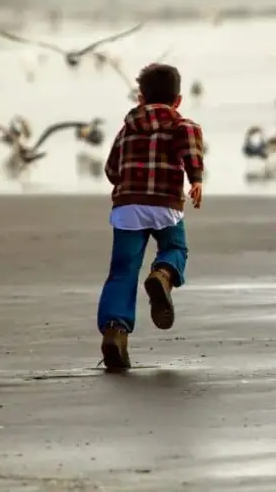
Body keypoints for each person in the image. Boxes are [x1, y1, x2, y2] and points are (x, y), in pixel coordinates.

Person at [99, 62, 205, 370]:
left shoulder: (127, 129)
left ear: (140, 98)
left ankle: (114, 331)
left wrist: (129, 181)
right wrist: (195, 179)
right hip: (165, 205)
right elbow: (191, 152)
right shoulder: (183, 125)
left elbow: (111, 170)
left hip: (128, 207)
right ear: (178, 100)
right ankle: (162, 274)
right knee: (175, 248)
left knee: (122, 271)